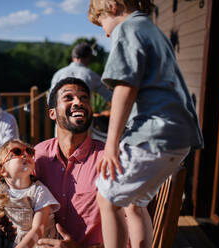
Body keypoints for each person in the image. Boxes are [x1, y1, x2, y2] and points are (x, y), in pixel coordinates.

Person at [88, 1, 204, 247]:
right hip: (178, 137)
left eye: (103, 24)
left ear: (112, 5)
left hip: (156, 133)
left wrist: (111, 144)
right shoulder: (151, 29)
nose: (105, 33)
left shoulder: (127, 28)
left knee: (107, 200)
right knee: (134, 203)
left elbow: (125, 87)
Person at [35, 77, 105, 247]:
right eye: (68, 97)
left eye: (84, 98)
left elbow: (128, 231)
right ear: (52, 113)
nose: (78, 102)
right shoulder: (37, 155)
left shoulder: (107, 159)